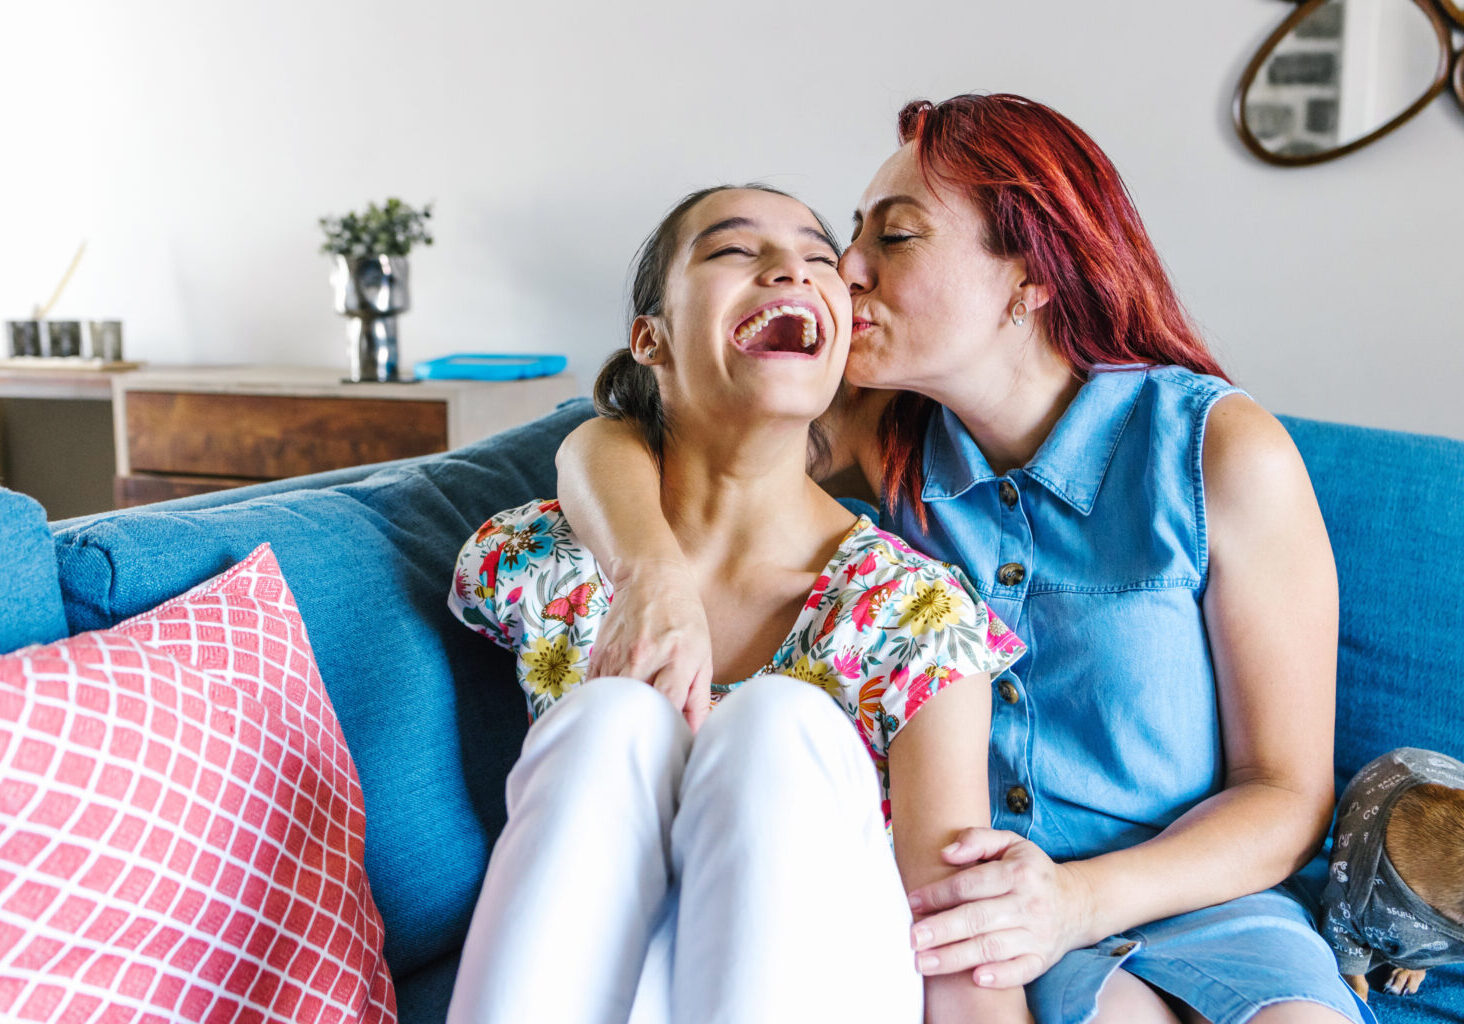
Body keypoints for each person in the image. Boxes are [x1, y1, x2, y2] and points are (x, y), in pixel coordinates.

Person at [554, 95, 1372, 1024]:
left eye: (893, 238)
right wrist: (648, 570)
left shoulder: (1215, 450)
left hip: (1202, 900)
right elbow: (616, 438)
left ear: (1032, 275)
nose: (844, 269)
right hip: (973, 922)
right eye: (851, 233)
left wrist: (1075, 904)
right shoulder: (876, 429)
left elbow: (1287, 792)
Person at [443, 184, 1030, 1024]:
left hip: (826, 983)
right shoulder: (546, 562)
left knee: (774, 725)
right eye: (732, 250)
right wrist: (650, 574)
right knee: (613, 720)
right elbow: (592, 439)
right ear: (650, 338)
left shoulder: (914, 615)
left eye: (819, 259)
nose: (791, 266)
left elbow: (964, 959)